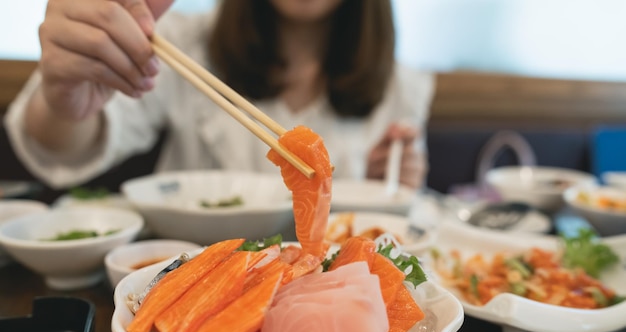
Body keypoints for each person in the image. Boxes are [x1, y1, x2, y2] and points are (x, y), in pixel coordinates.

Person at [4, 0, 435, 190]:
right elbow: (60, 145)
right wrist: (65, 96)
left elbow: (393, 222)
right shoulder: (174, 43)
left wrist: (393, 192)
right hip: (187, 284)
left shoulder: (403, 85)